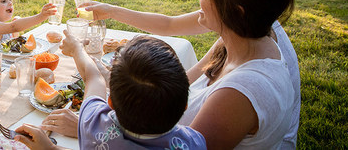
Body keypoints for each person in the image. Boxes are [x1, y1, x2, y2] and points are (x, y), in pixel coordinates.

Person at [79, 0, 301, 148]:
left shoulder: (241, 93)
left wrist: (99, 129)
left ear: (235, 11)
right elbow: (181, 78)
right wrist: (122, 83)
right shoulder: (240, 37)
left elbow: (175, 145)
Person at [15, 34, 206, 150]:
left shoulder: (95, 124)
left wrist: (77, 49)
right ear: (184, 106)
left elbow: (93, 77)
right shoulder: (195, 142)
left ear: (110, 103)